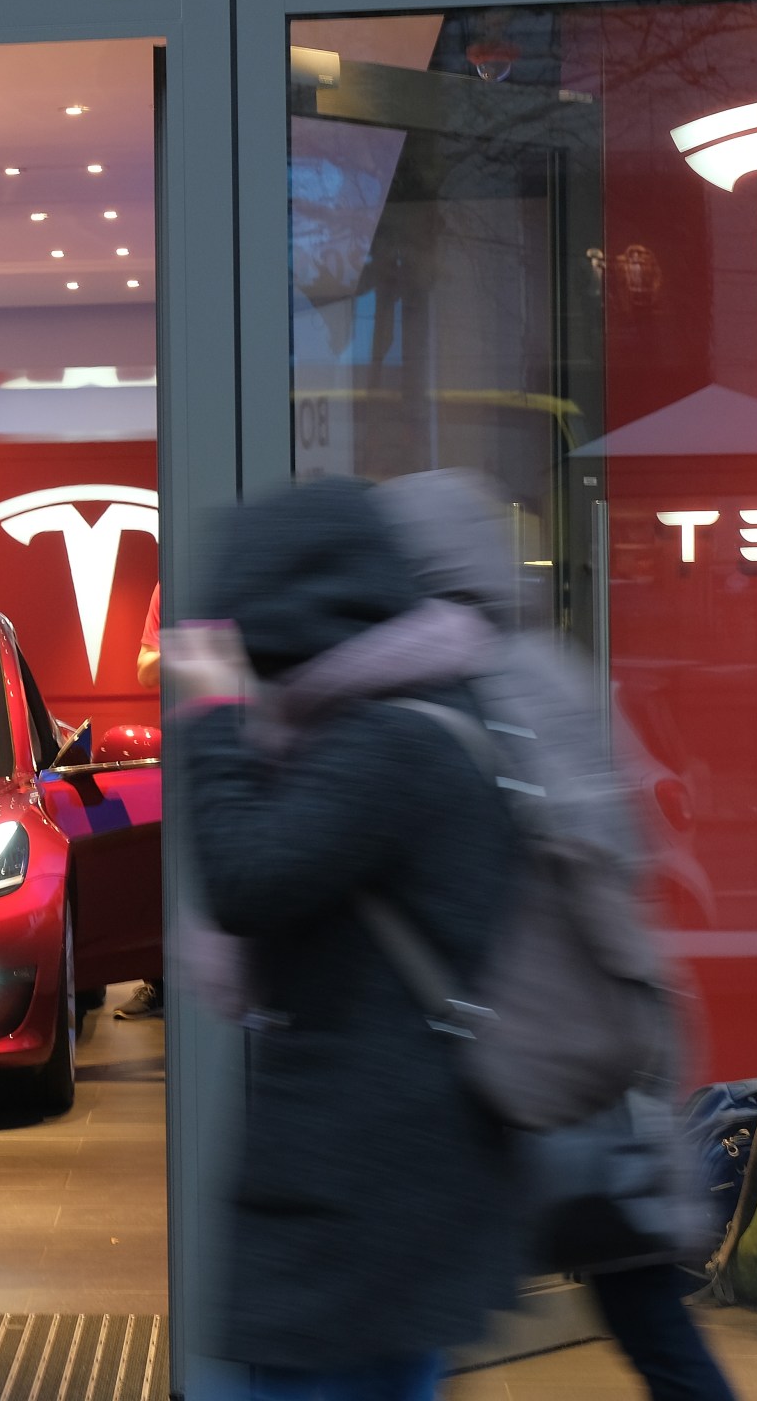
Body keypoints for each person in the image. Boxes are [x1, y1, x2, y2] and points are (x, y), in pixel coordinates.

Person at [375, 469, 736, 1401]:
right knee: (641, 1300)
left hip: (513, 1036)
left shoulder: (456, 684)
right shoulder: (550, 663)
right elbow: (618, 834)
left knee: (432, 1307)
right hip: (588, 1026)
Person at [177, 477, 525, 1401]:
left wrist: (210, 720)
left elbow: (246, 877)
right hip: (389, 1177)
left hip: (362, 1186)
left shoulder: (388, 746)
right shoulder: (420, 719)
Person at [116, 582, 167, 1021]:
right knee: (164, 863)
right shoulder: (167, 585)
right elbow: (146, 669)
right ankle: (160, 983)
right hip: (188, 741)